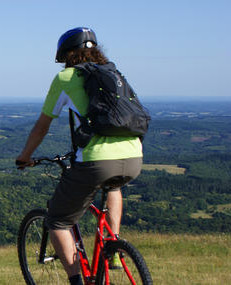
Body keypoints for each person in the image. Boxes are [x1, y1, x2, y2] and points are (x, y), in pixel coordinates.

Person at [15, 27, 143, 285]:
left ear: (65, 55)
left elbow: (42, 126)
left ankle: (77, 281)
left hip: (96, 160)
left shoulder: (66, 78)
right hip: (134, 155)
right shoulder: (114, 74)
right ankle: (113, 248)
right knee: (114, 187)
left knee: (58, 221)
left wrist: (24, 156)